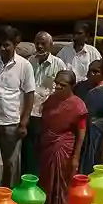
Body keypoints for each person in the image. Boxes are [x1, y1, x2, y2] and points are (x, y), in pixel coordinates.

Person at [0, 25, 35, 196]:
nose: (2, 49)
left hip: (12, 123)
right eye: (0, 45)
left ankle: (8, 198)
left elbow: (29, 95)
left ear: (15, 45)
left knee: (10, 165)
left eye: (6, 45)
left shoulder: (24, 66)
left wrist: (24, 123)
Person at [38, 70, 87, 204]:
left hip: (63, 146)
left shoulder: (77, 105)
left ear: (71, 87)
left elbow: (81, 132)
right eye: (56, 83)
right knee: (46, 180)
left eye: (62, 85)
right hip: (47, 143)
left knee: (59, 182)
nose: (58, 87)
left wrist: (76, 157)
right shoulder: (51, 100)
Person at [24, 32, 67, 176]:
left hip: (48, 114)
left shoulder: (58, 64)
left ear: (51, 45)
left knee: (45, 149)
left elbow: (64, 88)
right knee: (29, 150)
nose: (40, 46)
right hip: (30, 113)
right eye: (37, 43)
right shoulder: (30, 61)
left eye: (43, 43)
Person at [74, 60, 103, 174]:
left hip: (95, 133)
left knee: (91, 162)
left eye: (96, 71)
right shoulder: (80, 87)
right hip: (78, 130)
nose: (91, 74)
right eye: (90, 70)